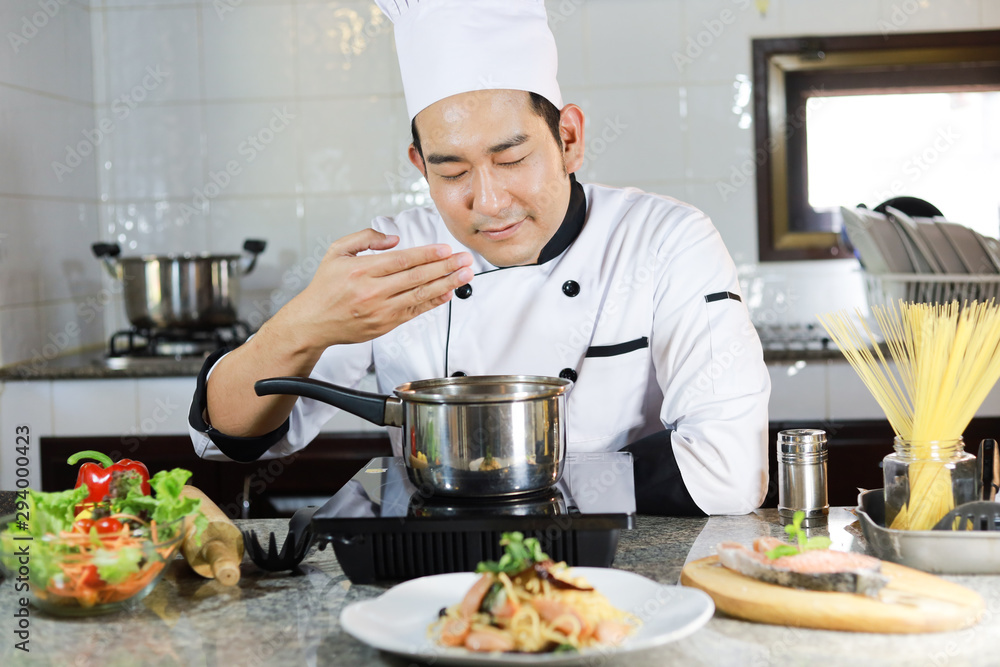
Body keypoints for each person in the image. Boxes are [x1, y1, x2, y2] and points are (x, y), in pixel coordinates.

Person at [188, 0, 770, 516]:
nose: (488, 203)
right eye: (452, 171)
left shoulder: (664, 240)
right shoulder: (397, 256)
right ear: (420, 166)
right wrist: (301, 326)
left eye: (512, 159)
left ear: (569, 139)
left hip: (617, 571)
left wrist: (484, 486)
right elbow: (230, 437)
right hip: (433, 578)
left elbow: (727, 470)